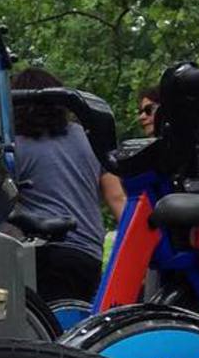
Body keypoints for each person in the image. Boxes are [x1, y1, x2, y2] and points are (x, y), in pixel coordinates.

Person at [9, 67, 125, 302]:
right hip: (89, 253)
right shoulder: (87, 136)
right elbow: (117, 198)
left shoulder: (14, 148)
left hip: (43, 256)